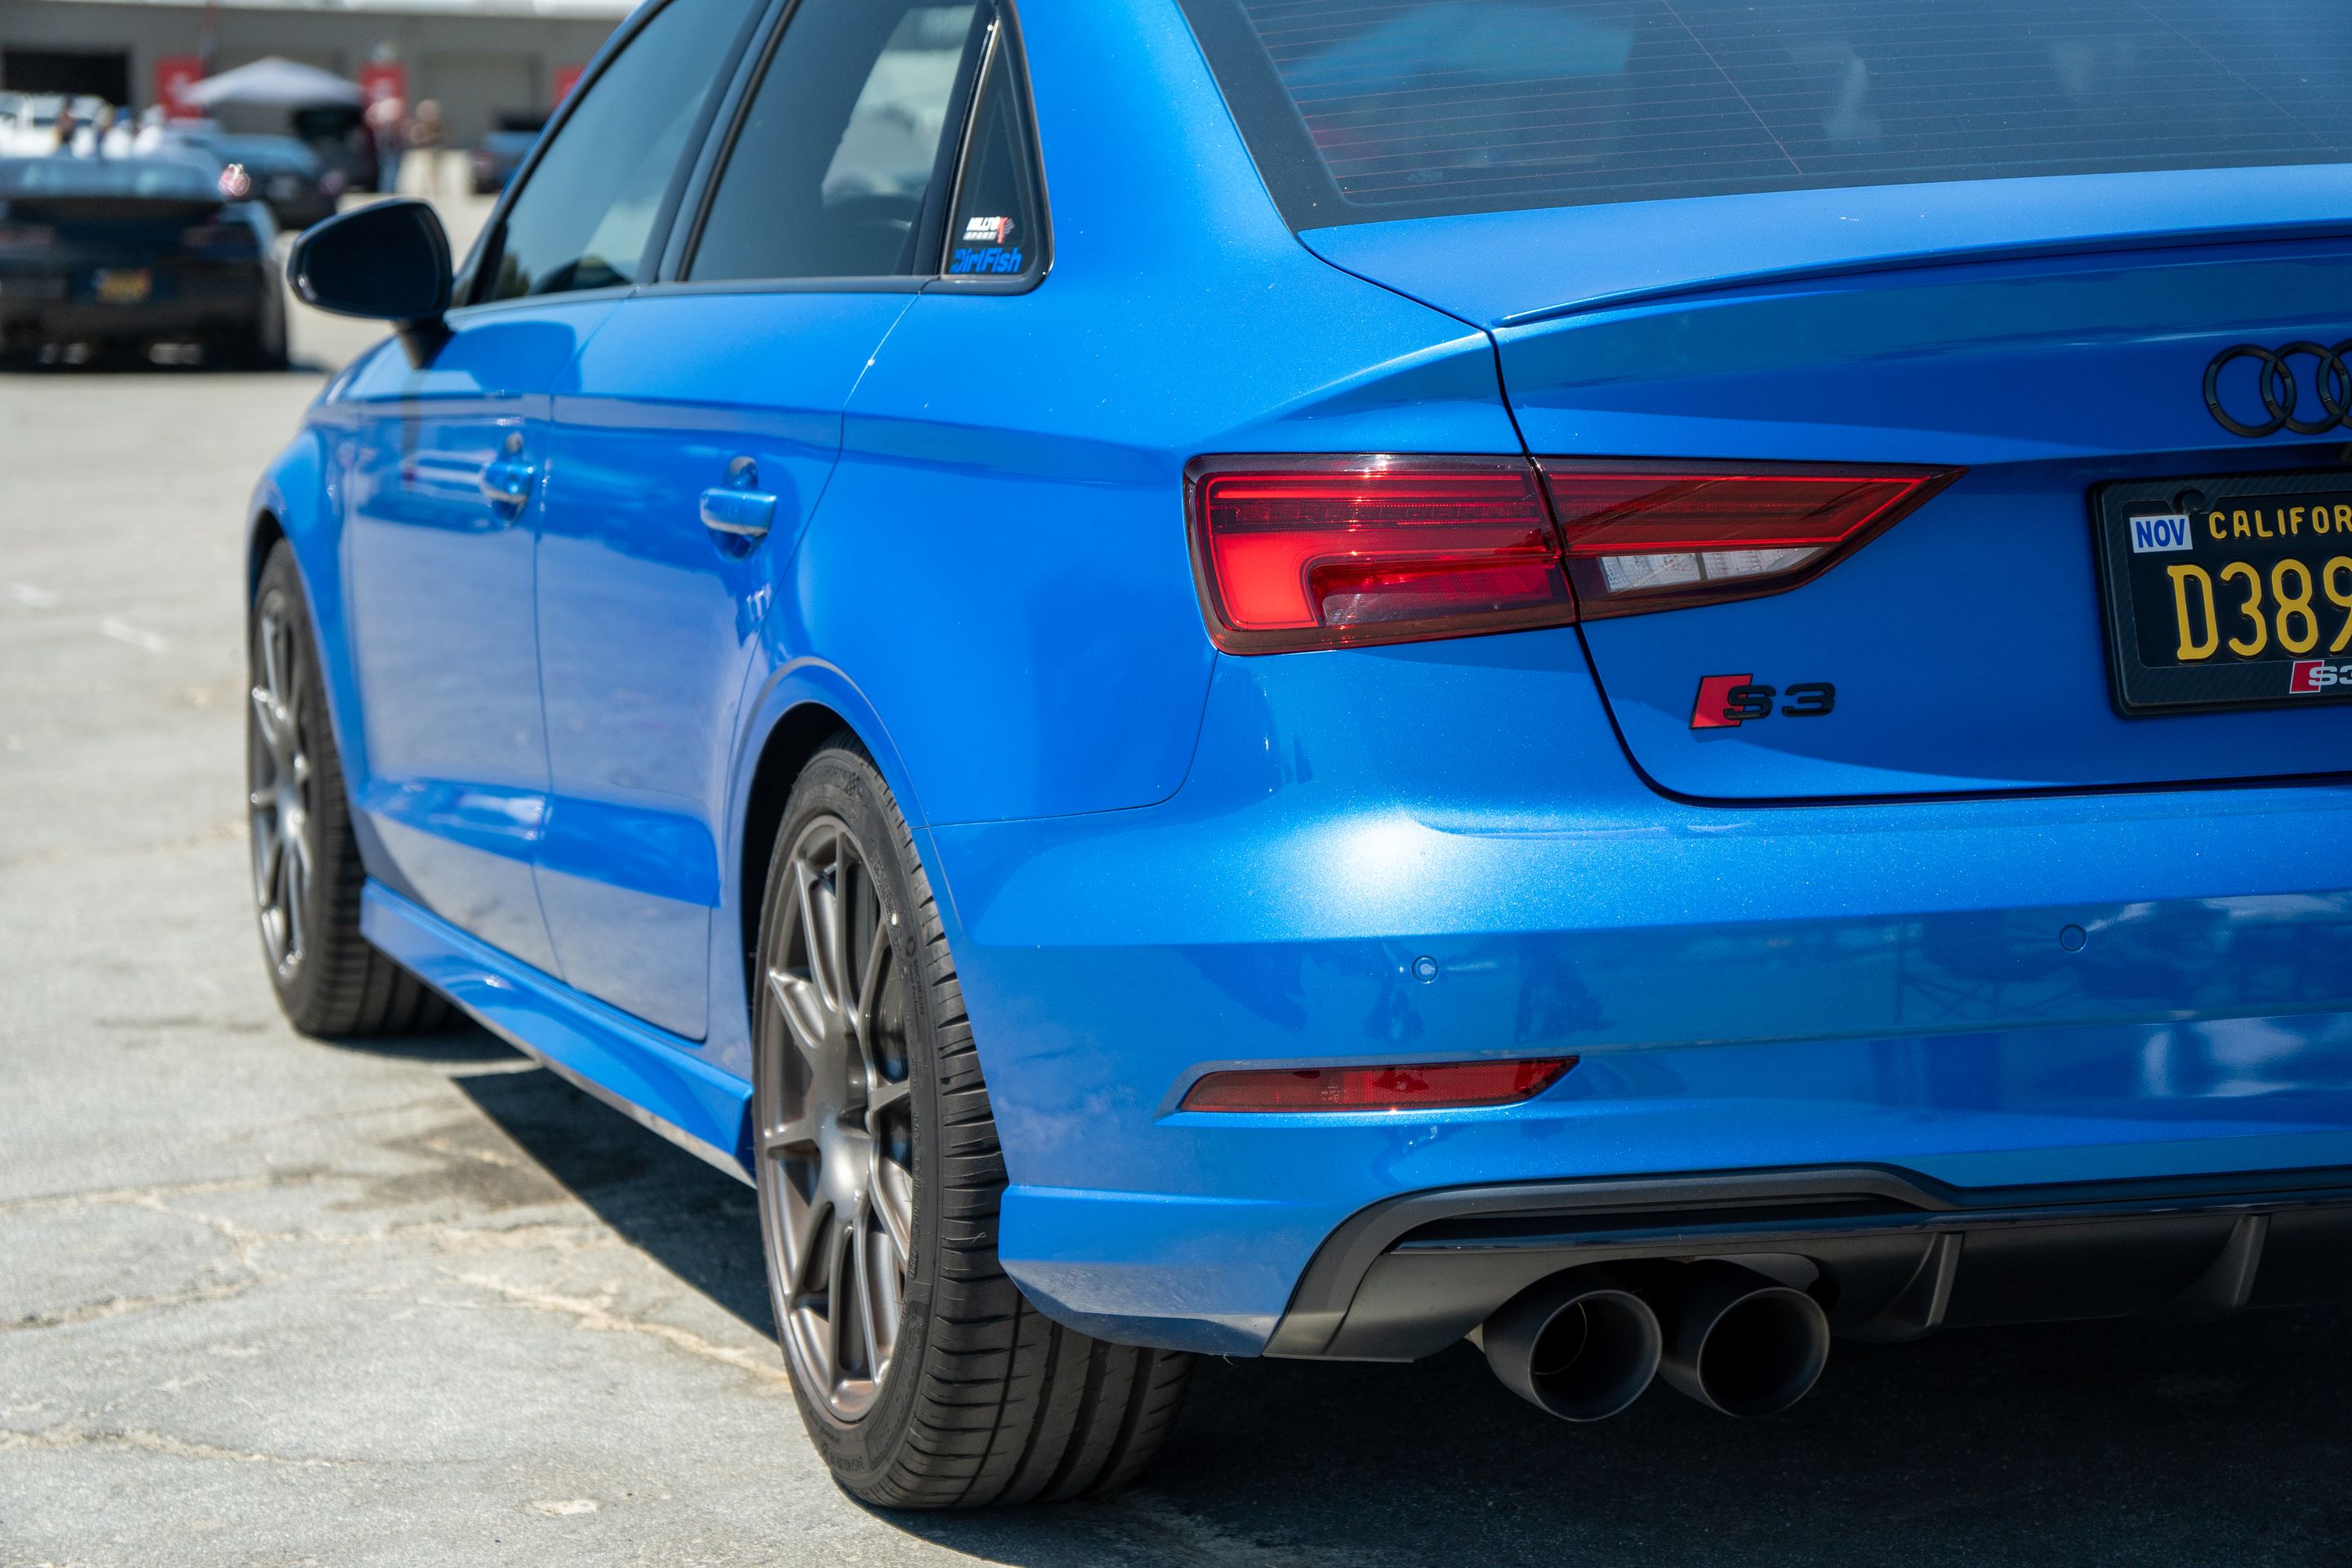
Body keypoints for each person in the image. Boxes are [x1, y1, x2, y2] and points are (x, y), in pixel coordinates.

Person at [367, 95, 404, 194]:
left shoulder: (383, 127)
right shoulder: (385, 127)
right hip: (388, 152)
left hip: (387, 152)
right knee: (389, 171)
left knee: (389, 171)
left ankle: (388, 189)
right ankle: (388, 190)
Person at [407, 100, 444, 197]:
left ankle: (435, 192)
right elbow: (415, 139)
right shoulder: (419, 127)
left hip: (434, 153)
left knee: (434, 174)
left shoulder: (437, 127)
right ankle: (420, 192)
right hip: (423, 153)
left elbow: (444, 138)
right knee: (422, 174)